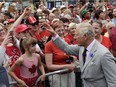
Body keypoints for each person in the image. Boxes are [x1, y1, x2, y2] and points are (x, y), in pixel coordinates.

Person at [43, 22, 116, 87]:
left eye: (77, 35)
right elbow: (67, 48)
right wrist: (54, 34)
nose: (74, 38)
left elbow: (113, 81)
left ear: (85, 36)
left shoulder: (103, 54)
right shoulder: (82, 47)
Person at [45, 20, 75, 87]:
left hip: (70, 74)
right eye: (58, 31)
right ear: (53, 32)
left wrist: (72, 59)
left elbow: (69, 56)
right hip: (57, 76)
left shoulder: (67, 40)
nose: (61, 33)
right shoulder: (49, 45)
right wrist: (66, 66)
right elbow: (49, 66)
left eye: (62, 30)